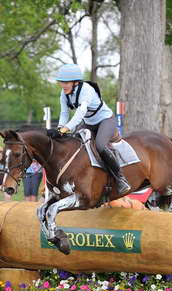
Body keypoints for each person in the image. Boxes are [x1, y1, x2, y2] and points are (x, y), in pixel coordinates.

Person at [49, 64, 130, 194]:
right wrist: (60, 129)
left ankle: (121, 179)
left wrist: (65, 129)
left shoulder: (86, 90)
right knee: (74, 144)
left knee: (100, 146)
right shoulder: (64, 94)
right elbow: (64, 113)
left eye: (66, 82)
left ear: (75, 82)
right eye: (61, 82)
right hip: (89, 122)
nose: (63, 85)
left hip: (105, 120)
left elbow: (80, 113)